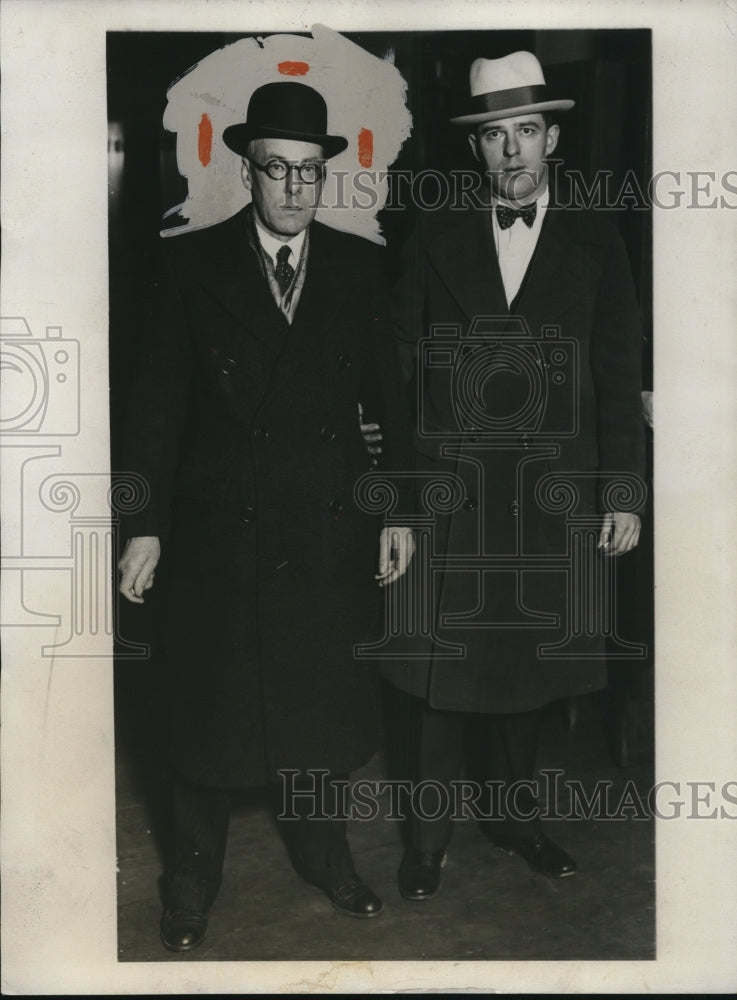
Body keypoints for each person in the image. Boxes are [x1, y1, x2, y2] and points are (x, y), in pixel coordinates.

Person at [117, 80, 414, 951]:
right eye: (276, 169)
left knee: (317, 710)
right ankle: (191, 879)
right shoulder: (186, 265)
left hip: (324, 529)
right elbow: (153, 411)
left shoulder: (358, 265)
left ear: (324, 176)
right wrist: (144, 524)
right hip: (218, 532)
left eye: (308, 171)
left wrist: (398, 509)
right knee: (205, 716)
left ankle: (324, 856)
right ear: (247, 171)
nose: (292, 187)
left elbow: (390, 402)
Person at [383, 51, 646, 899]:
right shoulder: (434, 236)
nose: (511, 151)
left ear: (551, 139)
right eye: (494, 136)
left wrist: (621, 492)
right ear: (475, 150)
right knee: (438, 677)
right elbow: (398, 369)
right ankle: (425, 842)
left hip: (549, 492)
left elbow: (616, 373)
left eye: (525, 131)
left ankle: (515, 818)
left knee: (529, 672)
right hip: (452, 490)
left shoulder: (596, 240)